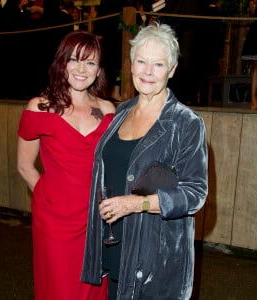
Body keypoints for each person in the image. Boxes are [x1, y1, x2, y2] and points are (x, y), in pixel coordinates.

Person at [81, 23, 208, 299]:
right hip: (118, 246)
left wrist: (137, 204)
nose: (148, 71)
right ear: (131, 64)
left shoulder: (185, 123)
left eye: (159, 64)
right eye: (141, 61)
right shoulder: (122, 111)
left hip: (155, 259)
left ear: (172, 70)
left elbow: (196, 194)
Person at [17, 31, 116, 300]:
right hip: (54, 223)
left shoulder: (109, 111)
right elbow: (25, 166)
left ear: (99, 71)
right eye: (74, 60)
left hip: (96, 220)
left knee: (94, 289)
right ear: (62, 63)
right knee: (58, 289)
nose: (81, 69)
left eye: (90, 63)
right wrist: (51, 200)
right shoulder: (40, 107)